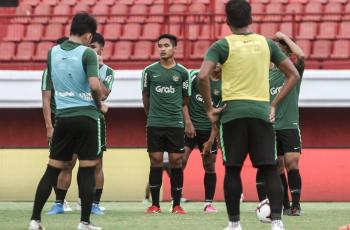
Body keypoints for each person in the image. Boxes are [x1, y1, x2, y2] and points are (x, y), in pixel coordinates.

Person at [197, 1, 300, 230]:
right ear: (251, 18)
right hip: (261, 112)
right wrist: (273, 105)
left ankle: (234, 224)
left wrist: (209, 110)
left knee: (232, 169)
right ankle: (277, 222)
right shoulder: (266, 44)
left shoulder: (221, 45)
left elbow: (203, 76)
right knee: (269, 168)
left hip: (232, 113)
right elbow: (293, 74)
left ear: (227, 20)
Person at [29, 12, 105, 230]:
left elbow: (50, 88)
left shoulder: (52, 52)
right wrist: (100, 106)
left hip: (62, 118)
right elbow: (93, 85)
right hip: (87, 117)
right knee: (88, 168)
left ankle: (35, 220)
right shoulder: (88, 54)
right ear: (89, 35)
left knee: (52, 169)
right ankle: (84, 222)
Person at [46, 33, 114, 216]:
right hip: (73, 117)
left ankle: (94, 205)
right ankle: (59, 203)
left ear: (101, 50)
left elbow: (104, 94)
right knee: (68, 163)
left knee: (96, 163)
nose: (89, 51)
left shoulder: (108, 71)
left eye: (94, 48)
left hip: (94, 120)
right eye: (88, 47)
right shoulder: (72, 65)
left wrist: (94, 70)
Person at [256, 32, 305, 216]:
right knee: (276, 165)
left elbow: (301, 55)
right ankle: (284, 204)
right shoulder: (264, 74)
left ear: (286, 49)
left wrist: (283, 36)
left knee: (292, 162)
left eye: (280, 46)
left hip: (290, 125)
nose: (276, 48)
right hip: (271, 127)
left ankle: (296, 205)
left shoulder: (293, 70)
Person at [141, 34, 190, 215]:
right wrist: (151, 115)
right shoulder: (149, 71)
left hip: (175, 123)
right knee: (156, 161)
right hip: (155, 123)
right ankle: (155, 205)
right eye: (160, 45)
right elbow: (145, 96)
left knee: (176, 161)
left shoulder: (183, 73)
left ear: (174, 48)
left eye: (166, 45)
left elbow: (185, 99)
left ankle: (176, 205)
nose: (162, 48)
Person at [182, 65, 221, 213]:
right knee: (180, 159)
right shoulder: (195, 76)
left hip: (208, 129)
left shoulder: (226, 85)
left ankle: (208, 204)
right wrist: (188, 122)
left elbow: (219, 116)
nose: (217, 64)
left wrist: (211, 139)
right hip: (189, 127)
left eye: (220, 61)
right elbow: (184, 100)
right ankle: (176, 200)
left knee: (209, 164)